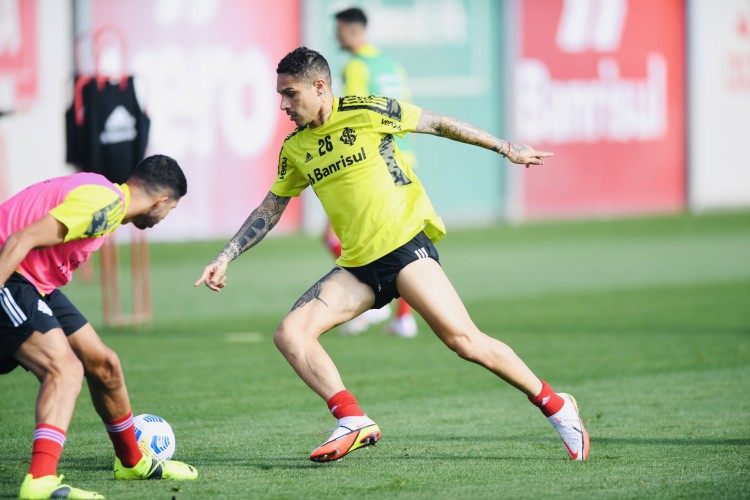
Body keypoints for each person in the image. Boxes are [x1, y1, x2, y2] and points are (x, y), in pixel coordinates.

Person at [195, 47, 589, 464]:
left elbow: (439, 124)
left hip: (404, 248)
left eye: (290, 94)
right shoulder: (295, 149)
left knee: (465, 342)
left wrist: (506, 148)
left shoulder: (368, 111)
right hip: (358, 267)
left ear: (320, 86)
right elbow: (270, 208)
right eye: (281, 95)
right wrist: (226, 255)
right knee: (290, 334)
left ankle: (557, 406)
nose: (283, 105)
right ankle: (352, 420)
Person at [0, 155, 198, 500]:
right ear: (161, 201)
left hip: (35, 282)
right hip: (10, 272)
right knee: (64, 369)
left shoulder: (103, 193)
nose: (165, 217)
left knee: (104, 365)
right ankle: (40, 482)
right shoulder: (103, 205)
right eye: (171, 210)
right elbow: (21, 238)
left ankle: (132, 462)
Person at [329, 6, 418, 337]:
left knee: (338, 236)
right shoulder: (391, 64)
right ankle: (403, 316)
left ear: (351, 30)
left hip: (373, 163)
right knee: (400, 239)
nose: (335, 36)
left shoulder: (355, 66)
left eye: (337, 30)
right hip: (402, 156)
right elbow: (405, 107)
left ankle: (373, 304)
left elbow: (352, 117)